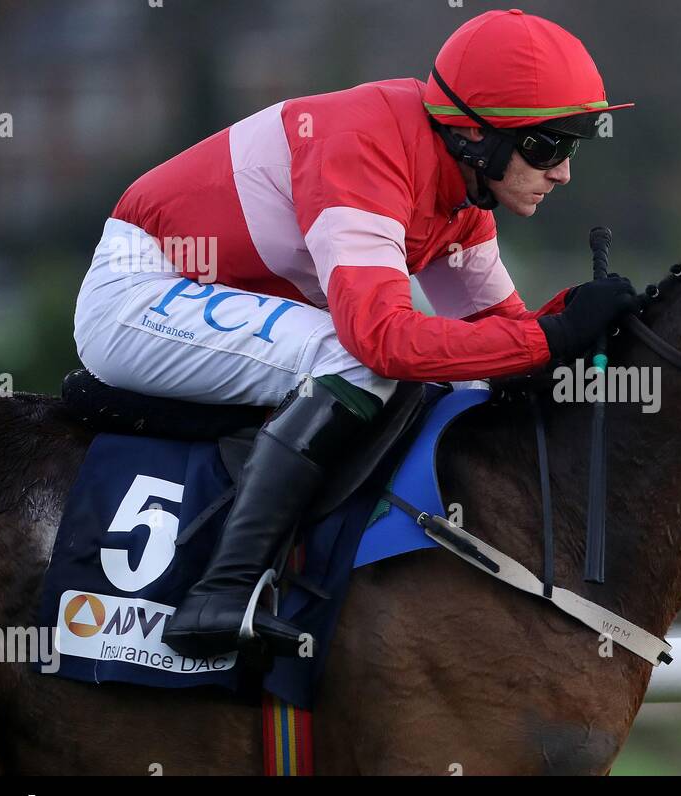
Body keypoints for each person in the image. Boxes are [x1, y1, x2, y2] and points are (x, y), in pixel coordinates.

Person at [71, 9, 638, 659]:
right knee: (355, 355)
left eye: (570, 146)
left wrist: (583, 319)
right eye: (546, 146)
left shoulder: (460, 195)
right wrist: (557, 333)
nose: (563, 171)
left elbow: (503, 341)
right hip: (138, 293)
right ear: (475, 136)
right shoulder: (366, 146)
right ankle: (220, 593)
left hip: (218, 295)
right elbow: (383, 342)